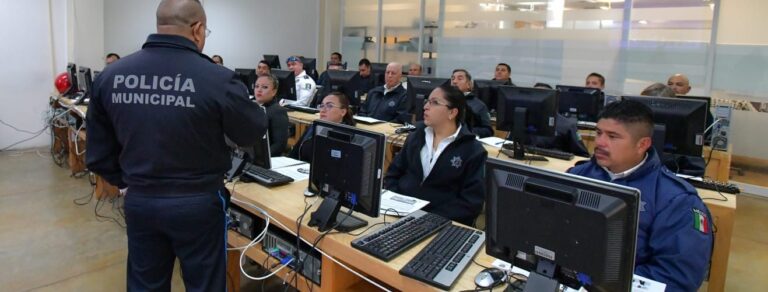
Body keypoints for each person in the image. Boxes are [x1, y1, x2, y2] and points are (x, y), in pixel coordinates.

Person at [85, 1, 267, 291]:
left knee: (146, 284)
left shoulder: (111, 76)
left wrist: (131, 181)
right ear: (196, 29)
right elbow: (250, 132)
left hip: (140, 199)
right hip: (198, 202)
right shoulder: (217, 78)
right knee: (204, 284)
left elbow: (97, 154)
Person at [567, 100, 713, 292]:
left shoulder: (677, 200)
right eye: (599, 132)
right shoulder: (577, 176)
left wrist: (596, 285)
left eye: (613, 136)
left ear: (642, 144)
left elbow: (676, 278)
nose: (600, 142)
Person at [384, 84, 487, 226]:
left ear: (452, 113)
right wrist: (396, 201)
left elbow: (471, 203)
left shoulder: (473, 150)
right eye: (427, 101)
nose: (425, 106)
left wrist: (428, 219)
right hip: (398, 215)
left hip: (441, 223)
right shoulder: (416, 136)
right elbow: (392, 174)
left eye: (434, 103)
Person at [289, 92, 356, 162]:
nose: (323, 110)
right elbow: (294, 153)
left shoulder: (347, 137)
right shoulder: (314, 127)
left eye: (329, 106)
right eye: (322, 106)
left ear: (343, 112)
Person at [450, 69, 493, 138]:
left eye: (460, 79)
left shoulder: (479, 105)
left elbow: (488, 131)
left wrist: (466, 131)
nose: (454, 81)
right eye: (453, 79)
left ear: (469, 85)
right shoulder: (444, 101)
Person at [254, 74, 289, 156]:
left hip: (266, 159)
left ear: (274, 91)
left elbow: (279, 145)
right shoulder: (253, 107)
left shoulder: (278, 111)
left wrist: (261, 157)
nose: (259, 90)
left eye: (265, 87)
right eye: (257, 86)